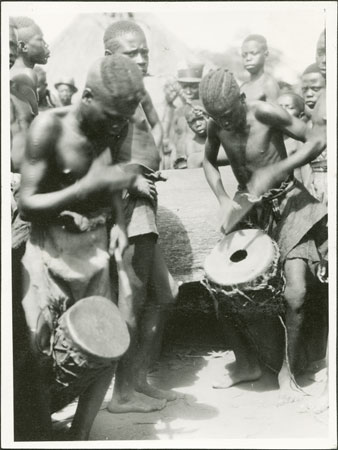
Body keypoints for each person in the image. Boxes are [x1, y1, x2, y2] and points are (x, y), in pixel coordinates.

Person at [18, 55, 144, 439]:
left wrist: (120, 223)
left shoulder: (114, 123)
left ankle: (80, 436)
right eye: (112, 117)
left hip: (95, 246)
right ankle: (37, 430)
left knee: (106, 345)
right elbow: (27, 201)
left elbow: (110, 179)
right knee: (38, 346)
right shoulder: (47, 129)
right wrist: (79, 190)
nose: (119, 127)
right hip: (48, 249)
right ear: (86, 96)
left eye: (124, 119)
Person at [199, 68, 327, 402]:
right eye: (217, 118)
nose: (224, 124)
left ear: (242, 100)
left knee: (296, 292)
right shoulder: (216, 124)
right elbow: (209, 161)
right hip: (247, 206)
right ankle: (246, 364)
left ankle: (288, 372)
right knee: (220, 285)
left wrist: (276, 169)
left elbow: (317, 139)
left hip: (289, 202)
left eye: (229, 116)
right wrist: (224, 199)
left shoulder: (265, 112)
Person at [103, 19, 179, 413]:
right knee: (131, 300)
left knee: (166, 294)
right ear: (110, 57)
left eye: (144, 50)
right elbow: (97, 156)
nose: (142, 58)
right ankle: (121, 394)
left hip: (145, 198)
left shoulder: (135, 92)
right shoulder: (110, 95)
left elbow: (145, 141)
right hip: (128, 205)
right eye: (131, 53)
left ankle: (138, 380)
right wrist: (132, 179)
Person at [10, 16, 50, 171]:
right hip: (22, 170)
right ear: (23, 47)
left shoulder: (15, 73)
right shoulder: (26, 75)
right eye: (40, 40)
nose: (46, 45)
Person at [163, 64, 204, 168]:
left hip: (198, 161)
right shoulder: (178, 111)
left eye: (193, 87)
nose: (188, 91)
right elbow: (171, 136)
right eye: (184, 87)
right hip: (179, 161)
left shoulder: (204, 109)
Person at [184, 101, 229, 169]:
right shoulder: (192, 145)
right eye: (193, 121)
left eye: (200, 118)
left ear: (207, 117)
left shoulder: (220, 132)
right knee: (192, 160)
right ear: (189, 125)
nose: (198, 124)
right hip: (207, 175)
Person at [240, 34, 280, 102]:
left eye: (254, 53)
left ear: (266, 55)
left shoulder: (268, 85)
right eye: (244, 55)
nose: (248, 58)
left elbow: (277, 111)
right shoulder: (243, 87)